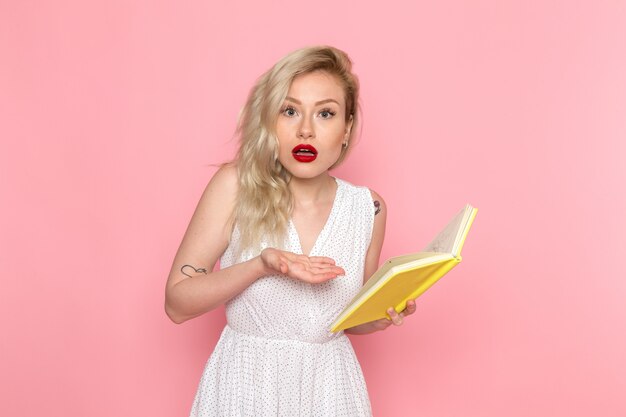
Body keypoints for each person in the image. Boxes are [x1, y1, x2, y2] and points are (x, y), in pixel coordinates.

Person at [165, 45, 417, 417]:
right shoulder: (236, 186)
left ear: (346, 129)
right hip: (247, 386)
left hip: (331, 391)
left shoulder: (368, 208)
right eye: (290, 110)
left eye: (326, 114)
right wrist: (261, 265)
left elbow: (344, 321)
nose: (305, 130)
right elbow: (177, 304)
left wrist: (377, 318)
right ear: (271, 121)